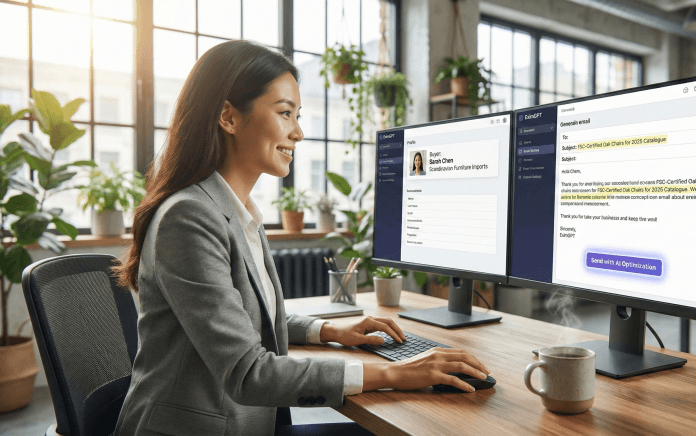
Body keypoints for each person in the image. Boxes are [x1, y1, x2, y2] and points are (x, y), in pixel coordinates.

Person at [112, 40, 489, 436]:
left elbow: (245, 316)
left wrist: (329, 331)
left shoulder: (235, 211)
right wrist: (394, 372)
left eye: (298, 115)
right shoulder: (189, 217)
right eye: (285, 113)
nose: (299, 132)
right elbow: (248, 373)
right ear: (228, 117)